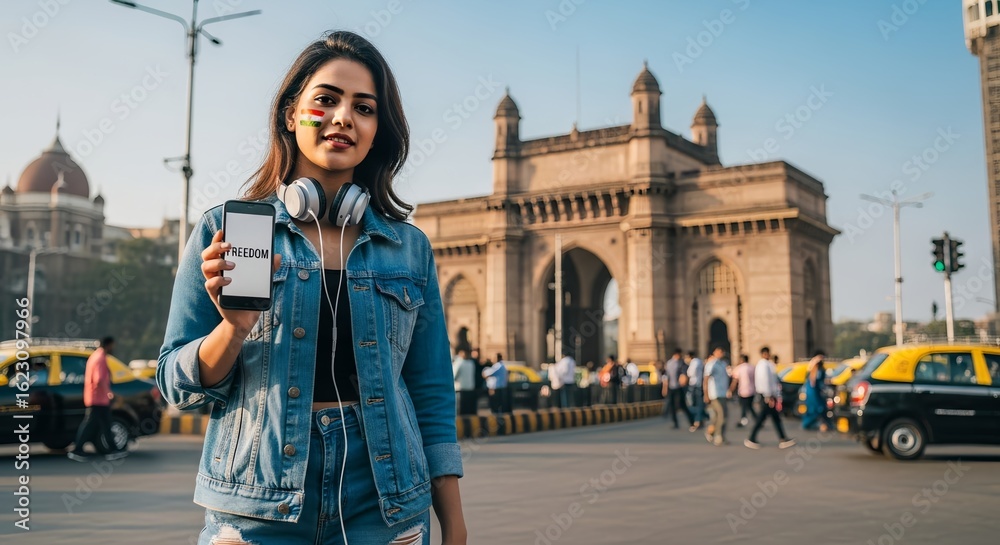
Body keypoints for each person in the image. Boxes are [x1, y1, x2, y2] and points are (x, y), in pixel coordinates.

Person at [157, 32, 466, 545]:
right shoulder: (225, 233)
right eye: (326, 99)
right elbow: (176, 384)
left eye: (363, 108)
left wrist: (453, 523)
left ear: (376, 131)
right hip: (258, 507)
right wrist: (233, 330)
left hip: (385, 505)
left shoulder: (408, 249)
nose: (344, 116)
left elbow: (430, 394)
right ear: (290, 115)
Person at [69, 337, 127, 462]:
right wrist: (109, 394)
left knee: (104, 424)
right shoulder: (100, 358)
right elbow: (99, 379)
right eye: (112, 345)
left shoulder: (96, 356)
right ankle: (78, 449)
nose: (113, 348)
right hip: (98, 399)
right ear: (108, 345)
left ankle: (111, 450)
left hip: (96, 398)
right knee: (96, 424)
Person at [746, 346, 796, 450]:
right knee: (762, 418)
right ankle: (751, 438)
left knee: (774, 418)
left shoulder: (767, 365)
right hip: (766, 395)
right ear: (764, 354)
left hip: (769, 395)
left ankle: (782, 438)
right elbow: (765, 381)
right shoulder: (763, 365)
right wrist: (768, 396)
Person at [702, 345, 731, 446]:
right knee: (721, 415)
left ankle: (714, 433)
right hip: (715, 394)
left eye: (721, 351)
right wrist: (706, 394)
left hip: (723, 393)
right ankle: (718, 436)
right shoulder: (711, 364)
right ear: (714, 352)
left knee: (721, 416)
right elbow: (706, 378)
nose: (720, 353)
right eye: (718, 351)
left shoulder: (723, 364)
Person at [661, 349, 692, 429]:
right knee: (673, 406)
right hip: (673, 387)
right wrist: (665, 388)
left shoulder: (680, 363)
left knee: (681, 405)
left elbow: (685, 373)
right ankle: (676, 423)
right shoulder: (672, 363)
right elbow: (666, 376)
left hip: (679, 387)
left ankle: (691, 421)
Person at [801, 350, 832, 431]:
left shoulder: (821, 370)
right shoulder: (814, 369)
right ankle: (816, 425)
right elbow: (812, 381)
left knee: (822, 409)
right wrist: (815, 361)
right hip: (813, 394)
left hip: (817, 393)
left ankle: (827, 424)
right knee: (816, 409)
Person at [729, 354, 757, 427]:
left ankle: (743, 420)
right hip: (752, 390)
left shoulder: (739, 368)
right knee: (749, 406)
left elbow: (735, 381)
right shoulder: (752, 367)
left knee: (744, 406)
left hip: (743, 391)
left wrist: (731, 390)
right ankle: (755, 419)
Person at [684, 351, 705, 432]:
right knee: (697, 404)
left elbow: (690, 373)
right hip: (696, 385)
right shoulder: (698, 362)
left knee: (694, 404)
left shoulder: (695, 362)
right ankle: (700, 419)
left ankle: (698, 421)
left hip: (695, 386)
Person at [453, 350, 477, 416]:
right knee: (468, 409)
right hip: (470, 387)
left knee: (460, 409)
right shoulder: (471, 363)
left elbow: (454, 375)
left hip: (460, 388)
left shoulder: (459, 363)